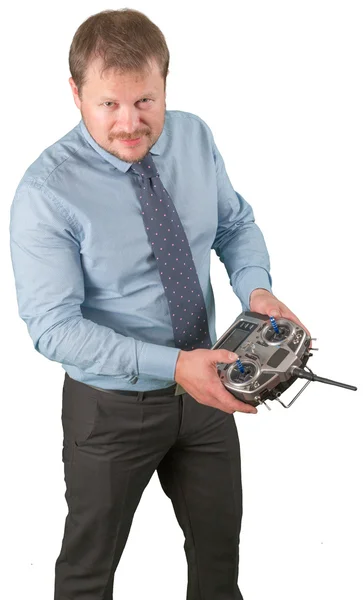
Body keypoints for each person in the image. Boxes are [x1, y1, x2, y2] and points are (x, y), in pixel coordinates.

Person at [9, 8, 310, 600]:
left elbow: (234, 222)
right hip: (110, 411)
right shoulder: (45, 193)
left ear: (166, 84)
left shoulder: (194, 135)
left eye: (145, 101)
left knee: (219, 565)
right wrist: (175, 366)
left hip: (211, 390)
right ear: (75, 94)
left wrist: (257, 288)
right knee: (86, 576)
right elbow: (52, 328)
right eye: (108, 105)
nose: (129, 124)